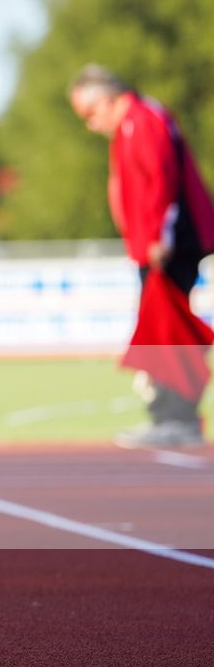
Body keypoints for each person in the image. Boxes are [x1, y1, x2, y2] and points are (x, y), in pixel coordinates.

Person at [68, 65, 214, 448]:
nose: (91, 124)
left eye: (89, 113)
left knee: (166, 333)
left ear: (107, 99)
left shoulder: (143, 120)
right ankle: (171, 417)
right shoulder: (134, 124)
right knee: (161, 331)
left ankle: (175, 419)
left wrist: (157, 238)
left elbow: (161, 179)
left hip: (168, 246)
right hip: (156, 245)